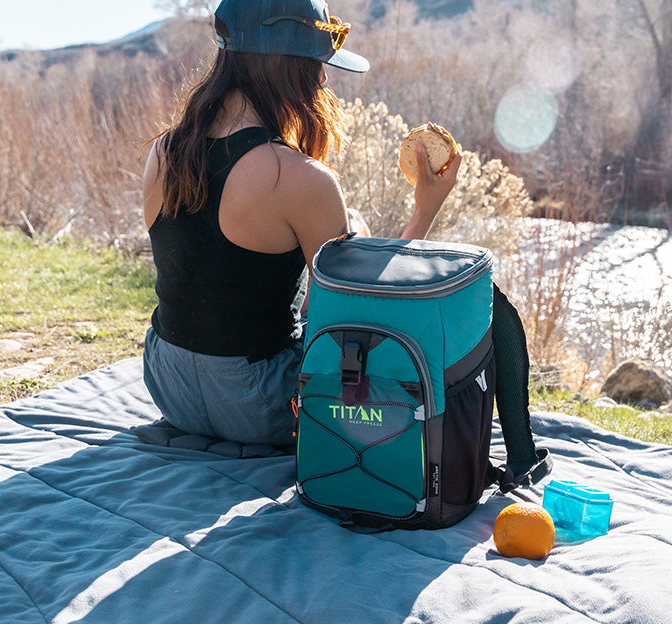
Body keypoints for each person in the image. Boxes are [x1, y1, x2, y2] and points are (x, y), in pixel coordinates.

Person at [141, 0, 462, 447]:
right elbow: (364, 316)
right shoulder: (299, 177)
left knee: (346, 234)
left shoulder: (162, 151)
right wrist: (425, 209)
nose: (324, 79)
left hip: (167, 384)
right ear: (288, 66)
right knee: (351, 253)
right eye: (317, 65)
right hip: (257, 405)